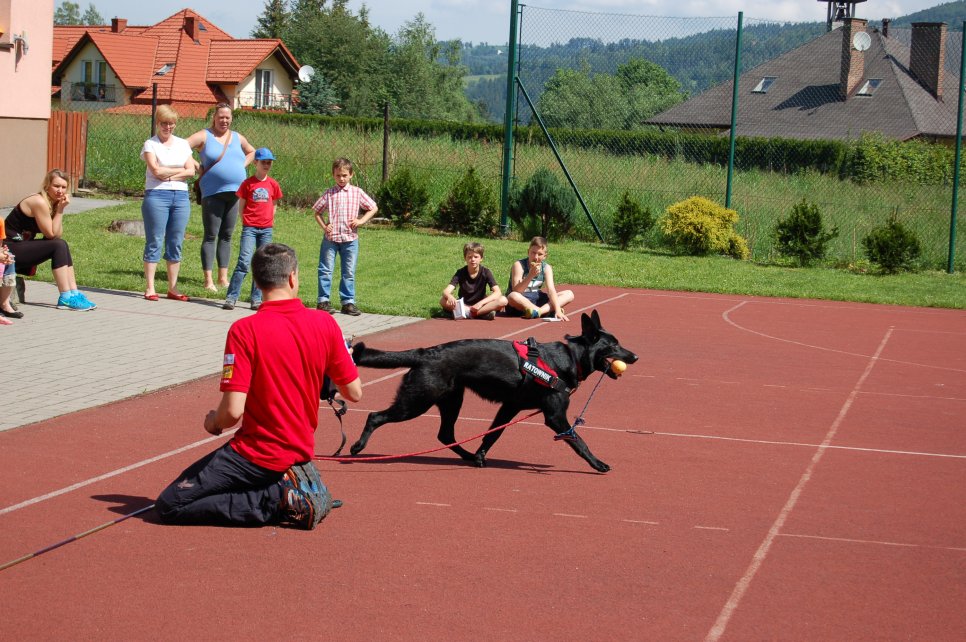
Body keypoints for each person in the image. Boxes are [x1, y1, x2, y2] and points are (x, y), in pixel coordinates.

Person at [156, 243, 362, 529]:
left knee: (170, 505)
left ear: (257, 281)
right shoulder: (325, 323)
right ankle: (281, 487)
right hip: (298, 447)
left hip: (257, 453)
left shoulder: (244, 331)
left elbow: (232, 413)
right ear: (293, 277)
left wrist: (212, 423)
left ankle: (278, 498)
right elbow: (354, 392)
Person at [2, 169, 96, 312]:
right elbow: (51, 235)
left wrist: (59, 209)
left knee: (61, 244)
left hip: (20, 247)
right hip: (8, 251)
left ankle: (73, 293)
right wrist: (60, 211)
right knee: (58, 245)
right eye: (56, 186)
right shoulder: (38, 201)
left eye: (63, 187)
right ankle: (65, 296)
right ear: (47, 186)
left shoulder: (52, 202)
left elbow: (56, 234)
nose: (60, 190)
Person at [186, 103, 255, 292]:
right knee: (210, 235)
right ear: (214, 118)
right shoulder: (204, 135)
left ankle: (223, 278)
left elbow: (252, 151)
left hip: (235, 193)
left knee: (227, 235)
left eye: (227, 117)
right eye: (221, 117)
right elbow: (183, 146)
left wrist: (243, 164)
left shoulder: (237, 137)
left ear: (231, 119)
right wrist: (196, 166)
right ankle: (208, 280)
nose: (224, 120)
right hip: (212, 193)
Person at [140, 104, 198, 302]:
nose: (168, 127)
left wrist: (169, 171)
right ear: (158, 123)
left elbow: (191, 171)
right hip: (157, 196)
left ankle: (173, 288)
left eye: (172, 124)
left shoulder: (183, 144)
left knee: (176, 241)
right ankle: (150, 287)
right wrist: (178, 170)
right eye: (165, 123)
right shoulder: (151, 144)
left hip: (180, 197)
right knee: (155, 240)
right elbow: (156, 171)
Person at [312, 157, 378, 316]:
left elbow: (373, 207)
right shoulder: (329, 193)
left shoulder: (357, 192)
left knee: (348, 272)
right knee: (326, 270)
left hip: (350, 239)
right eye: (338, 175)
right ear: (333, 175)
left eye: (344, 175)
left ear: (351, 175)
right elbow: (317, 212)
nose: (341, 179)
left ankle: (348, 302)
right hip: (331, 239)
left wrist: (361, 220)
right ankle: (323, 301)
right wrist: (324, 226)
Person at [223, 148, 283, 311]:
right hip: (250, 228)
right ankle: (231, 297)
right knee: (244, 261)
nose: (266, 165)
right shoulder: (247, 184)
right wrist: (246, 220)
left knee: (262, 263)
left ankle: (256, 298)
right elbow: (241, 205)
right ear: (255, 162)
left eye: (269, 162)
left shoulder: (273, 184)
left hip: (266, 229)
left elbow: (274, 203)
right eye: (263, 162)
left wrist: (270, 219)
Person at [506, 236, 574, 321]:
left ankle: (538, 312)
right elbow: (517, 290)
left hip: (537, 299)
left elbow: (551, 290)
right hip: (520, 303)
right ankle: (546, 311)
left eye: (540, 254)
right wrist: (530, 275)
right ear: (528, 252)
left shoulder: (546, 268)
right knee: (512, 296)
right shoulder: (519, 265)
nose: (536, 257)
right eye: (533, 253)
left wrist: (557, 310)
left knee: (569, 294)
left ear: (545, 256)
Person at [440, 241, 507, 320]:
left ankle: (472, 313)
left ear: (481, 258)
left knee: (503, 300)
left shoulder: (486, 272)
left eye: (476, 257)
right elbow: (446, 291)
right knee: (442, 300)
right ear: (465, 258)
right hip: (463, 305)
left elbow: (498, 292)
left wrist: (480, 303)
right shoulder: (460, 272)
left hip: (480, 305)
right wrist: (450, 296)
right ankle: (479, 313)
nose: (472, 259)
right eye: (469, 257)